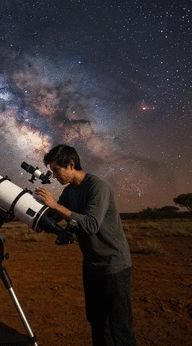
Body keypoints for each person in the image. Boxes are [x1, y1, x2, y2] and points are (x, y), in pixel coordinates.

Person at [34, 144, 137, 346]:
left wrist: (54, 204)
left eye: (56, 170)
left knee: (120, 328)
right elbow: (54, 215)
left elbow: (90, 225)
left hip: (113, 265)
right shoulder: (70, 191)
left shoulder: (98, 187)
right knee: (97, 322)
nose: (54, 176)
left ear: (71, 164)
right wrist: (28, 206)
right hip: (92, 266)